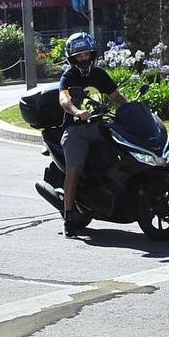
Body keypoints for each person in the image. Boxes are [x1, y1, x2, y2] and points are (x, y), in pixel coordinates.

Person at [55, 32, 128, 236]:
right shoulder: (69, 77)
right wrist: (77, 112)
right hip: (76, 129)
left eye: (87, 53)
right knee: (74, 169)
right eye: (80, 55)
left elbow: (116, 96)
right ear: (72, 58)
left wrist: (133, 109)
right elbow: (64, 99)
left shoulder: (99, 75)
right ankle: (69, 216)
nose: (84, 58)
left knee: (123, 150)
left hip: (99, 126)